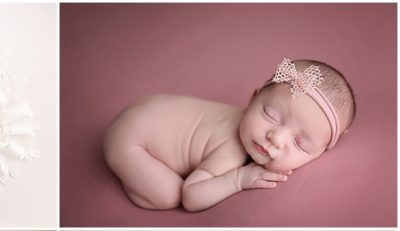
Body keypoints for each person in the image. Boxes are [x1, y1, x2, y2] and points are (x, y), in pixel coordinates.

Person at [104, 58, 356, 211]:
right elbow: (191, 196)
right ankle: (127, 173)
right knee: (169, 195)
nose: (276, 138)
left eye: (299, 143)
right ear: (253, 99)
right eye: (270, 115)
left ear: (320, 153)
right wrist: (238, 179)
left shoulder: (248, 126)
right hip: (129, 140)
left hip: (148, 107)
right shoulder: (232, 149)